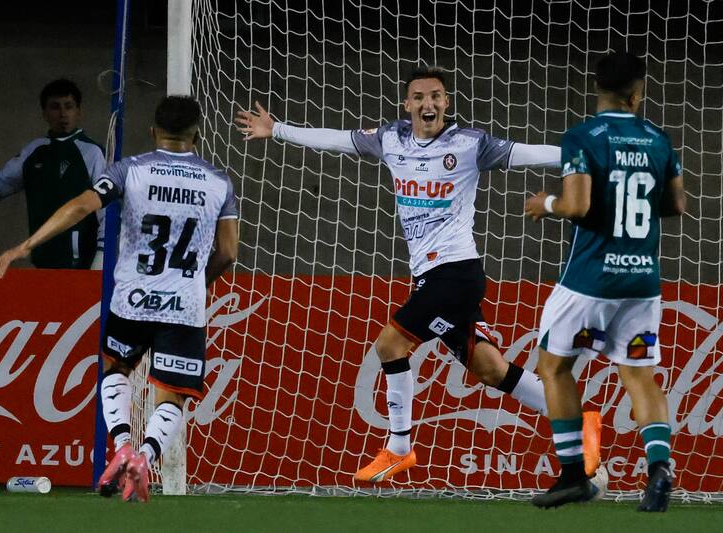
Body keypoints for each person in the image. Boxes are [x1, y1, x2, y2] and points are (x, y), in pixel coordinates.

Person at [236, 67, 601, 484]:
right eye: (419, 97)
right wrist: (278, 129)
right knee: (490, 369)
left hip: (457, 274)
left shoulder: (469, 144)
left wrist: (577, 152)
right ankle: (579, 417)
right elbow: (338, 139)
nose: (428, 104)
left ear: (446, 103)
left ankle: (399, 447)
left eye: (436, 96)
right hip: (429, 276)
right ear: (407, 104)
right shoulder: (391, 139)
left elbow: (525, 152)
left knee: (390, 345)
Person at [0, 96, 240, 503]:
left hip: (132, 300)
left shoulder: (131, 170)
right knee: (171, 393)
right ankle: (145, 457)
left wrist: (26, 245)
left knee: (117, 368)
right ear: (199, 134)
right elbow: (229, 252)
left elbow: (80, 207)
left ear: (152, 131)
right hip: (185, 305)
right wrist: (195, 283)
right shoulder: (219, 182)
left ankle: (122, 445)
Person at [524, 52, 686, 511]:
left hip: (589, 282)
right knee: (638, 373)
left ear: (598, 89)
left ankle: (574, 474)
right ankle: (659, 470)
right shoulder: (658, 139)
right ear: (638, 93)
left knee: (554, 366)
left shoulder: (583, 137)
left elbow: (576, 206)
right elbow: (676, 205)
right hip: (641, 282)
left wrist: (546, 204)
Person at [0, 78, 106, 269]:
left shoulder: (93, 152)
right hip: (42, 261)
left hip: (84, 263)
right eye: (55, 107)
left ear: (79, 111)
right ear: (45, 113)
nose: (63, 113)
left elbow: (108, 207)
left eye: (69, 106)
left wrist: (101, 256)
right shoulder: (33, 151)